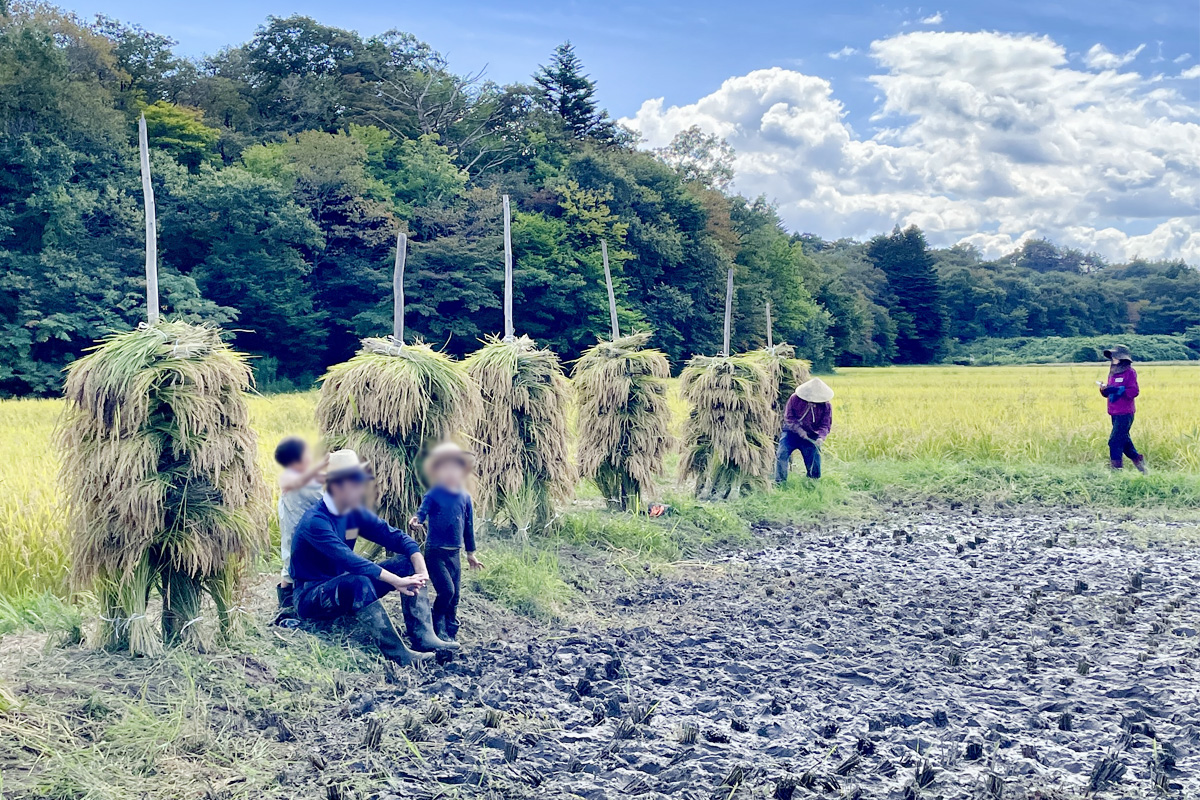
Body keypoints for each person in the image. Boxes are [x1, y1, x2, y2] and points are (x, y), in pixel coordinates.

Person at [290, 449, 459, 665]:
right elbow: (350, 561)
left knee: (406, 563)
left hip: (342, 584)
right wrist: (396, 582)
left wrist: (420, 567)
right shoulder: (316, 522)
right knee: (358, 581)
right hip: (312, 595)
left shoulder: (354, 512)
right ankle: (399, 654)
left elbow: (397, 537)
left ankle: (424, 636)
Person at [408, 443, 483, 643]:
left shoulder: (465, 497)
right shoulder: (434, 494)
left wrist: (471, 554)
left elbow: (468, 527)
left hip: (454, 554)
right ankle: (436, 626)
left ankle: (451, 632)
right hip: (435, 553)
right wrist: (416, 521)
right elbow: (421, 514)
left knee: (455, 595)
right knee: (446, 591)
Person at [274, 437, 327, 613]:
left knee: (296, 561)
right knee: (291, 562)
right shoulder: (290, 477)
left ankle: (294, 598)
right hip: (295, 527)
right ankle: (287, 604)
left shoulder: (306, 477)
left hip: (302, 527)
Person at [776, 377, 834, 483]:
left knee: (814, 458)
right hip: (791, 433)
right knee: (781, 454)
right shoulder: (794, 399)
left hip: (811, 435)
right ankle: (780, 482)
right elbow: (789, 418)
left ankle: (813, 482)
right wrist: (801, 432)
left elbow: (825, 425)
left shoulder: (826, 406)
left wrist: (821, 437)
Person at [1099, 345, 1146, 472]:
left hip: (1125, 413)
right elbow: (1109, 392)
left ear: (1122, 358)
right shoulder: (1113, 373)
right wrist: (1105, 389)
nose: (1113, 358)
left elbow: (1134, 391)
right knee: (1124, 441)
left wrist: (1116, 390)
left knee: (1114, 441)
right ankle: (1139, 461)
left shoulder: (1130, 372)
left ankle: (1116, 471)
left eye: (1115, 356)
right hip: (1113, 411)